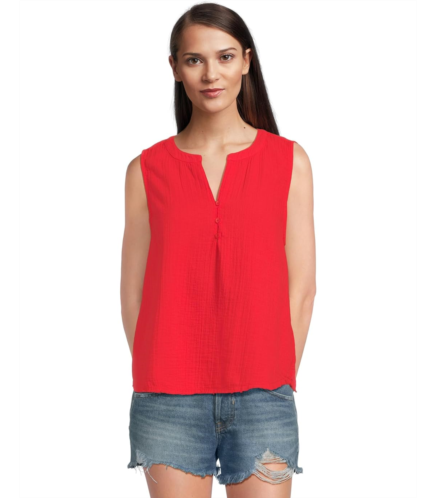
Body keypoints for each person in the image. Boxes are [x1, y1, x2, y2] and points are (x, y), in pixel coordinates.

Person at [120, 3, 316, 497]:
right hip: (167, 398)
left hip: (264, 394)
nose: (211, 74)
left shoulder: (289, 162)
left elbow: (302, 287)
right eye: (194, 60)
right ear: (175, 68)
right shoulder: (146, 170)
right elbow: (133, 292)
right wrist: (161, 369)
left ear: (246, 61)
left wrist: (275, 374)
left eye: (225, 57)